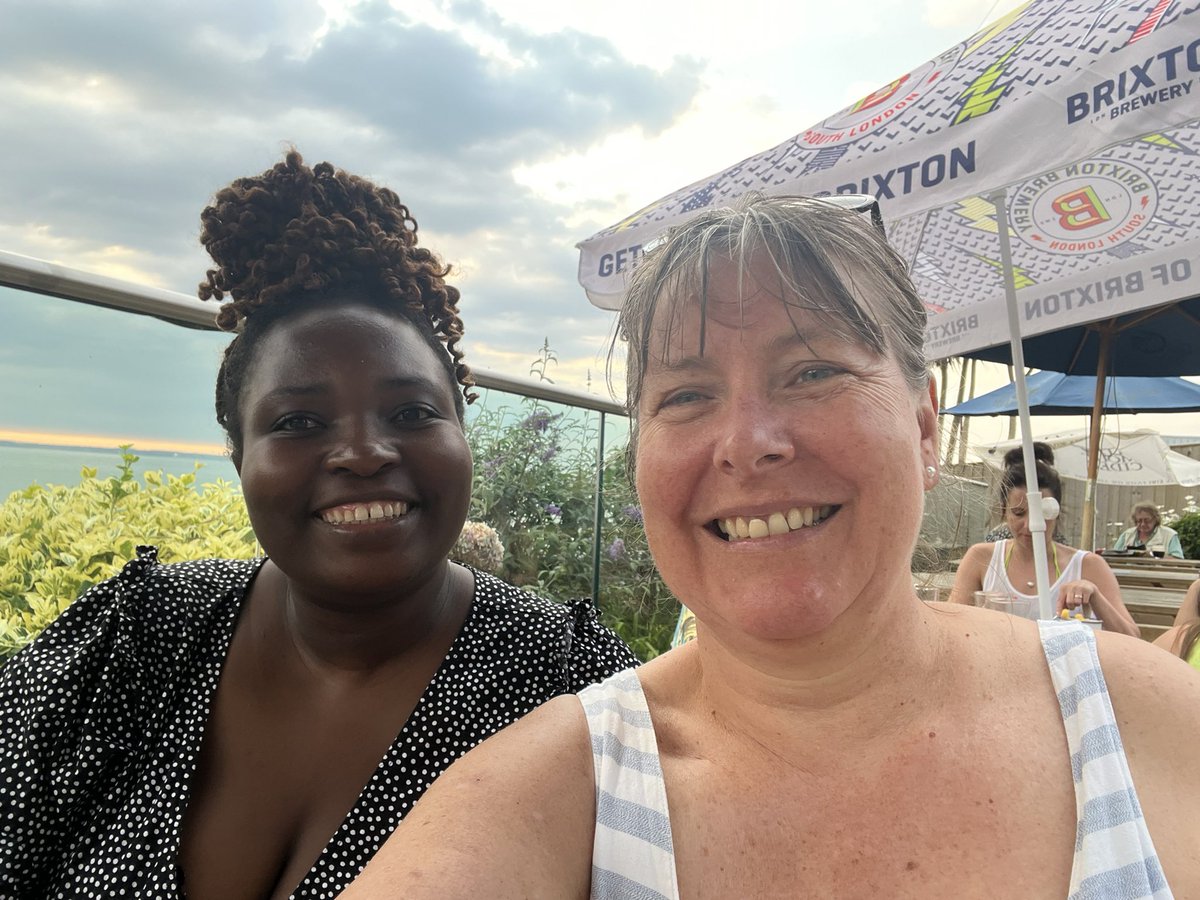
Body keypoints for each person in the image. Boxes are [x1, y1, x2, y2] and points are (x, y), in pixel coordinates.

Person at [341, 194, 1200, 898]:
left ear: (927, 427)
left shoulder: (1139, 721)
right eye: (684, 395)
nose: (748, 441)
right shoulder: (554, 799)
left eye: (813, 371)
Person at [0, 151, 638, 898]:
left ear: (461, 434)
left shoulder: (576, 693)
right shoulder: (136, 636)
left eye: (411, 413)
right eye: (299, 420)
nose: (364, 453)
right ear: (240, 455)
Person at [949, 443, 1141, 636]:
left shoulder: (1088, 566)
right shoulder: (981, 559)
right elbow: (953, 626)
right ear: (1004, 511)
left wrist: (1095, 597)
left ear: (1056, 512)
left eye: (1042, 513)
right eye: (1018, 513)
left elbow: (1132, 638)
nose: (1030, 525)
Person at [1113, 501, 1185, 558]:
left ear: (1155, 519)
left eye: (1147, 520)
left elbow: (1178, 560)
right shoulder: (1127, 534)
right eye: (1139, 521)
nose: (1143, 524)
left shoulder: (1169, 535)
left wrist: (1152, 555)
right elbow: (1114, 555)